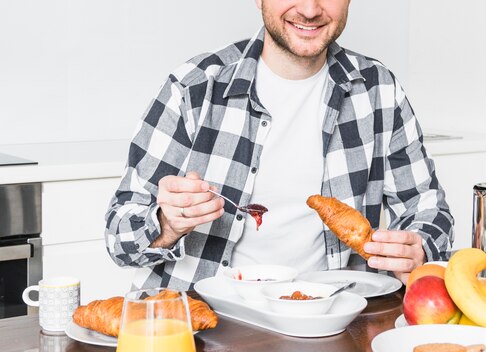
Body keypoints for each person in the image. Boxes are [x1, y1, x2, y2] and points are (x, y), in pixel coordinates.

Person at [105, 0, 454, 291]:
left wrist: (419, 248)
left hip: (332, 323)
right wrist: (168, 223)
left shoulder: (378, 89)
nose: (309, 9)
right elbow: (118, 238)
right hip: (204, 326)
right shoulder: (195, 88)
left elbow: (428, 209)